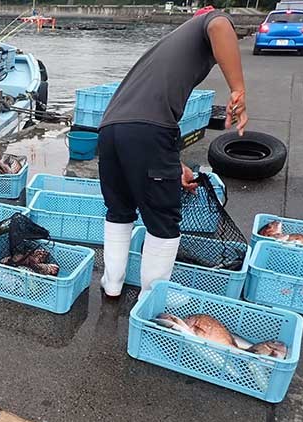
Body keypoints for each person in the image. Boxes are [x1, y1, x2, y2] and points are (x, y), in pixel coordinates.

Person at [98, 7, 248, 298]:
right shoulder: (211, 20)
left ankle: (111, 285)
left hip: (110, 130)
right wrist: (238, 90)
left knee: (119, 211)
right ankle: (151, 299)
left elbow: (140, 122)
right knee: (163, 221)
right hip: (148, 132)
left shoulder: (167, 45)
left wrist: (174, 165)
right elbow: (219, 25)